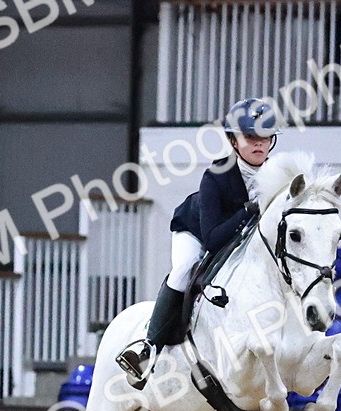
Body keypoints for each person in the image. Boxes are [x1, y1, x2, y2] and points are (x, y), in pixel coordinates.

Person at [116, 98, 279, 388]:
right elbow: (214, 238)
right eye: (250, 137)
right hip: (197, 233)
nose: (259, 144)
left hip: (239, 239)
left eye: (265, 137)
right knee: (184, 268)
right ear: (233, 141)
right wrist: (248, 210)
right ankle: (148, 347)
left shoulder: (277, 174)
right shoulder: (216, 176)